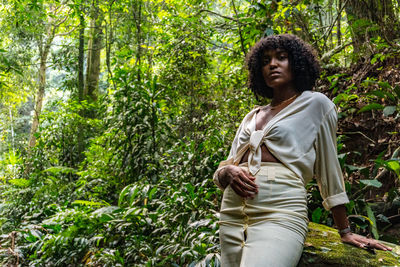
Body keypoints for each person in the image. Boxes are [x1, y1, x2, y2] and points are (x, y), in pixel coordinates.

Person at [213, 34, 391, 267]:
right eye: (265, 61)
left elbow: (329, 169)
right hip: (232, 214)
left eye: (281, 58)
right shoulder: (251, 117)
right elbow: (224, 168)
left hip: (280, 212)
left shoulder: (317, 104)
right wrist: (226, 174)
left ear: (296, 63)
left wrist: (345, 230)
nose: (272, 64)